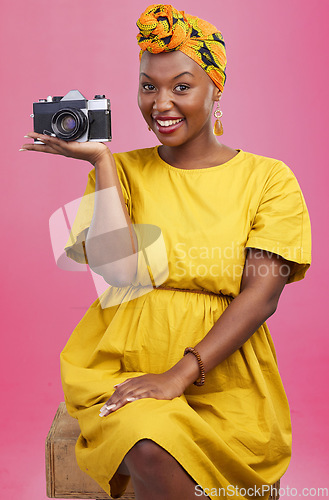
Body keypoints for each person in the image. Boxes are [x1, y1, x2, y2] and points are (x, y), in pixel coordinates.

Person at [21, 4, 312, 500]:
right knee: (150, 442)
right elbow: (118, 271)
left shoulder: (269, 179)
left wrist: (180, 374)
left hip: (226, 376)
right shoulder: (121, 172)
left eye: (181, 86)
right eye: (148, 86)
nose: (161, 103)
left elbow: (263, 294)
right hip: (124, 363)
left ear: (215, 88)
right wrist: (102, 162)